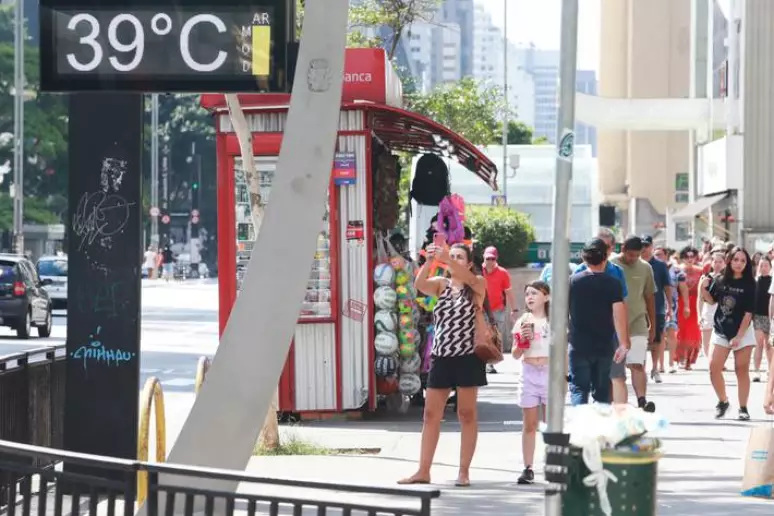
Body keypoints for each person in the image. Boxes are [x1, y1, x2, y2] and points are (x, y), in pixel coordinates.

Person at [400, 243, 486, 487]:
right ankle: (423, 470)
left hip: (469, 356)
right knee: (430, 414)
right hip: (441, 356)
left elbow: (471, 280)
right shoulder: (441, 284)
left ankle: (464, 471)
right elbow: (418, 285)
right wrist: (429, 261)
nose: (454, 260)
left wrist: (446, 257)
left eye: (460, 257)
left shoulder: (476, 283)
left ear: (469, 263)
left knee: (466, 414)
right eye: (452, 256)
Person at [568, 238, 630, 405]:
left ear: (584, 258)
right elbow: (619, 314)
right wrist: (623, 343)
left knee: (579, 388)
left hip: (578, 344)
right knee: (602, 391)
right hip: (604, 346)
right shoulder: (613, 284)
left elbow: (562, 314)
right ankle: (598, 428)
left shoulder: (573, 282)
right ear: (605, 258)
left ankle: (579, 426)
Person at [701, 246, 756, 420]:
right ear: (729, 260)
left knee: (741, 369)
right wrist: (703, 289)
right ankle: (723, 401)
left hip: (743, 330)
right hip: (721, 328)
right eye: (736, 260)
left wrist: (739, 336)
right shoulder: (719, 279)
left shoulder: (750, 284)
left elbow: (748, 314)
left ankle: (743, 407)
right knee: (713, 367)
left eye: (743, 261)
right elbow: (711, 301)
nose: (739, 263)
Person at [610, 236, 657, 412]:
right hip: (614, 324)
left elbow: (650, 297)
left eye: (637, 255)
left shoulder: (645, 268)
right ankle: (615, 402)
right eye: (630, 255)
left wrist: (653, 323)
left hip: (637, 322)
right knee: (616, 368)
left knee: (637, 363)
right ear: (623, 249)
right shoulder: (610, 265)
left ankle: (642, 400)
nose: (633, 259)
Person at [511, 281, 551, 485]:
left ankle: (555, 464)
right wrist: (521, 342)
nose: (530, 297)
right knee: (530, 424)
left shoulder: (555, 321)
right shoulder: (523, 321)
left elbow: (563, 349)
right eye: (527, 294)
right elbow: (516, 354)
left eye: (535, 293)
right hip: (528, 372)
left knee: (552, 424)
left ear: (547, 297)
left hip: (549, 372)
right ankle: (527, 468)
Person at [641, 236, 673, 382]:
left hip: (657, 308)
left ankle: (655, 368)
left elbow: (667, 286)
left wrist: (669, 307)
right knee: (640, 340)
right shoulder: (636, 263)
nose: (644, 248)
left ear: (652, 246)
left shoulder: (660, 265)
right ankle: (641, 369)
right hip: (639, 309)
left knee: (656, 340)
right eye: (642, 245)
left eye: (647, 245)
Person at [482, 246, 517, 372]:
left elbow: (509, 292)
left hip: (498, 310)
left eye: (492, 258)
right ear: (483, 258)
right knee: (483, 336)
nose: (490, 261)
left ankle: (489, 363)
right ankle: (484, 363)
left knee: (495, 337)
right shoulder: (478, 271)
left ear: (496, 259)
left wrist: (514, 310)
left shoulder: (503, 273)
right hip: (481, 309)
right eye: (487, 258)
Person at [655, 246, 685, 373]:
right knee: (660, 335)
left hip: (673, 305)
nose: (657, 257)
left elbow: (683, 288)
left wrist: (687, 305)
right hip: (657, 304)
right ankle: (660, 365)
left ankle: (671, 363)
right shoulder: (651, 268)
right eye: (655, 254)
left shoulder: (676, 270)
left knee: (672, 333)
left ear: (666, 255)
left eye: (660, 254)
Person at [676, 246, 703, 369]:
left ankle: (689, 359)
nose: (690, 259)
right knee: (681, 331)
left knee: (694, 332)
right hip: (681, 303)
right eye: (687, 256)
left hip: (696, 303)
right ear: (682, 258)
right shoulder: (677, 270)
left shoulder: (700, 270)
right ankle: (680, 358)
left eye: (692, 256)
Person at [698, 249, 726, 361]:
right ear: (711, 263)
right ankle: (710, 361)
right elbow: (699, 299)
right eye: (715, 261)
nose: (718, 264)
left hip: (722, 313)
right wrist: (699, 315)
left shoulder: (727, 279)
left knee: (721, 341)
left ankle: (719, 362)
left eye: (720, 261)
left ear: (724, 263)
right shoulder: (705, 278)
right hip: (708, 312)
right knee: (706, 341)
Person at [753, 256, 772, 382]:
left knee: (769, 345)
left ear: (770, 267)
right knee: (759, 344)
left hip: (770, 316)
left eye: (766, 265)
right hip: (758, 316)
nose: (763, 268)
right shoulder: (754, 281)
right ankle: (756, 371)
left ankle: (770, 370)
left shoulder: (773, 281)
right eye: (761, 265)